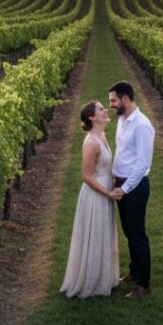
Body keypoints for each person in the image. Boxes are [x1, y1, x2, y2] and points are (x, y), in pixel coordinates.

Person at [60, 101, 120, 298]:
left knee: (103, 232)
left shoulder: (102, 136)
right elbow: (86, 176)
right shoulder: (91, 143)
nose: (105, 111)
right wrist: (108, 193)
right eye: (101, 109)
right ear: (92, 118)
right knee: (95, 232)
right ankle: (91, 281)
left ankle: (104, 277)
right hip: (96, 194)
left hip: (105, 188)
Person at [108, 81, 154, 299]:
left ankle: (143, 285)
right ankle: (134, 272)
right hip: (121, 184)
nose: (111, 105)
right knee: (128, 232)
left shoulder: (142, 125)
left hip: (134, 187)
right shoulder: (122, 119)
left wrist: (124, 188)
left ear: (126, 99)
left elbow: (143, 164)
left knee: (137, 235)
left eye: (113, 100)